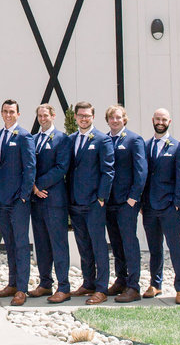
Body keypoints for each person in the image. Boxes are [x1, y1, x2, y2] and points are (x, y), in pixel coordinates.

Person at [66, 101, 114, 305]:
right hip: (75, 201)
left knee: (98, 245)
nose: (83, 118)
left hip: (94, 202)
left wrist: (101, 197)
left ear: (93, 117)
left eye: (87, 115)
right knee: (83, 244)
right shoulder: (71, 140)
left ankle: (101, 288)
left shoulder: (102, 140)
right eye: (80, 115)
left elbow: (108, 170)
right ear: (75, 117)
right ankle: (88, 282)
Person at [142, 108, 180, 304]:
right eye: (157, 119)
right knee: (154, 248)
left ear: (170, 121)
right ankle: (156, 283)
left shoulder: (178, 148)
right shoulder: (144, 146)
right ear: (152, 120)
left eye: (164, 119)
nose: (160, 122)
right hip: (149, 206)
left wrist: (177, 203)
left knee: (175, 247)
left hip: (169, 206)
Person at [0, 98, 36, 306]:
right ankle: (12, 283)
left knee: (20, 244)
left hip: (19, 200)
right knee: (8, 243)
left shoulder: (25, 136)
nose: (8, 115)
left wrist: (24, 195)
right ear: (1, 114)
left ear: (18, 114)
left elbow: (30, 168)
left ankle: (22, 289)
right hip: (1, 200)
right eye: (5, 111)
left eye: (12, 112)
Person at [103, 104, 148, 303]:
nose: (115, 120)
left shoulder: (133, 140)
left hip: (126, 202)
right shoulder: (105, 140)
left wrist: (133, 197)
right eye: (111, 118)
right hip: (109, 201)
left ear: (124, 119)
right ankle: (121, 280)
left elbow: (141, 170)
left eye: (118, 117)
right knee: (116, 243)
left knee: (129, 243)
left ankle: (133, 286)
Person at [30, 103, 73, 303]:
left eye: (45, 115)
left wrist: (38, 184)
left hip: (54, 200)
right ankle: (45, 283)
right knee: (41, 244)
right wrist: (33, 188)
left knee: (59, 244)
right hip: (36, 200)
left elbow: (61, 167)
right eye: (39, 116)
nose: (42, 119)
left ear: (53, 116)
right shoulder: (34, 139)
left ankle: (63, 286)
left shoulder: (62, 139)